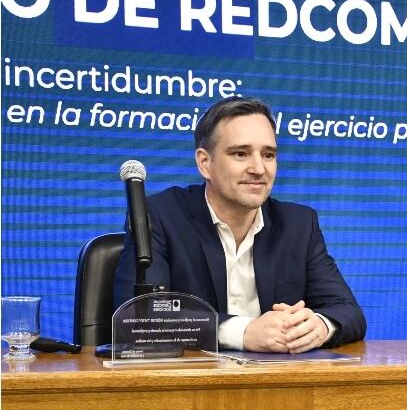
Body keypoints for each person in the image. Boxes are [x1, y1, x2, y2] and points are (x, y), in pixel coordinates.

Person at [114, 96, 366, 352]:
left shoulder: (298, 224)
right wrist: (243, 332)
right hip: (193, 375)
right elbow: (138, 315)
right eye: (240, 154)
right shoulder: (160, 215)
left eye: (268, 155)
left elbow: (348, 311)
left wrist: (319, 326)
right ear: (205, 163)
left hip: (277, 375)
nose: (259, 168)